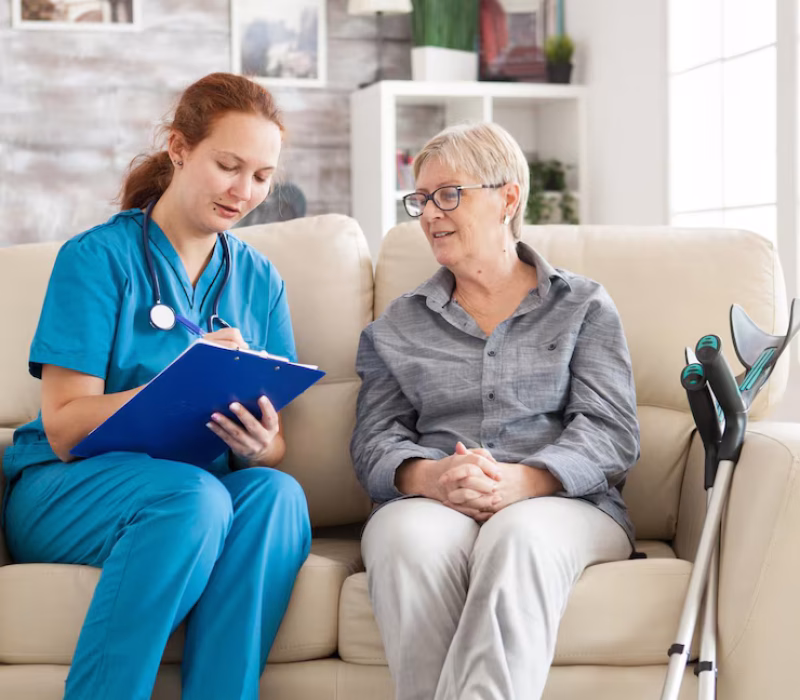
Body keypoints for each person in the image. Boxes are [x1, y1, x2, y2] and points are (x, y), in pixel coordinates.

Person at [2, 72, 311, 700]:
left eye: (261, 175)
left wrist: (259, 442)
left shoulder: (259, 280)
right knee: (191, 496)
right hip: (69, 489)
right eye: (229, 165)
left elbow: (275, 448)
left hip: (201, 488)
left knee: (278, 495)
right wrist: (177, 380)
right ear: (178, 149)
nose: (244, 191)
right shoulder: (96, 259)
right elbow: (62, 426)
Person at [350, 122, 640, 700]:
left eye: (448, 194)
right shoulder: (396, 327)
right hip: (436, 499)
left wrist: (526, 481)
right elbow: (373, 440)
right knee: (404, 541)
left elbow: (612, 431)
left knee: (518, 536)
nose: (430, 214)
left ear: (508, 197)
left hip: (562, 502)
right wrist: (427, 476)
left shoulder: (581, 305)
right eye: (421, 200)